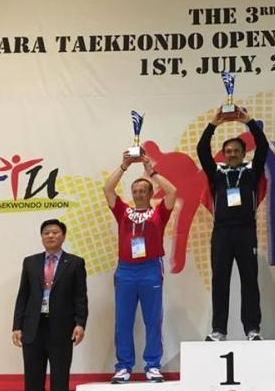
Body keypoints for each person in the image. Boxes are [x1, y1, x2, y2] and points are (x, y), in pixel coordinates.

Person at [103, 153, 177, 383]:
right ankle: (124, 366)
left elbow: (173, 191)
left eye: (143, 190)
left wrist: (151, 172)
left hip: (150, 269)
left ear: (151, 193)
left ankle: (152, 365)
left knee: (152, 319)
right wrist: (124, 165)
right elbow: (108, 189)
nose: (138, 194)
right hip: (125, 270)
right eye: (135, 191)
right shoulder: (123, 211)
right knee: (123, 320)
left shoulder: (159, 213)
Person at [197, 106, 269, 341]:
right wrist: (213, 124)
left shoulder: (251, 171)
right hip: (221, 233)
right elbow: (201, 150)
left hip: (246, 232)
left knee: (250, 280)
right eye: (228, 151)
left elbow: (264, 147)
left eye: (236, 151)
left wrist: (249, 122)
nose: (231, 154)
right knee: (220, 281)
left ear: (243, 153)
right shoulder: (216, 172)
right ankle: (219, 330)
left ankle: (252, 329)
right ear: (223, 154)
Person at [12, 219, 88, 391]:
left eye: (55, 232)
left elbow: (80, 297)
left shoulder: (75, 263)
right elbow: (23, 295)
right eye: (46, 233)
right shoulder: (30, 262)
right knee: (33, 379)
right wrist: (17, 326)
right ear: (41, 237)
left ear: (63, 236)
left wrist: (80, 323)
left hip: (61, 328)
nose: (50, 235)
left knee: (60, 379)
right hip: (33, 328)